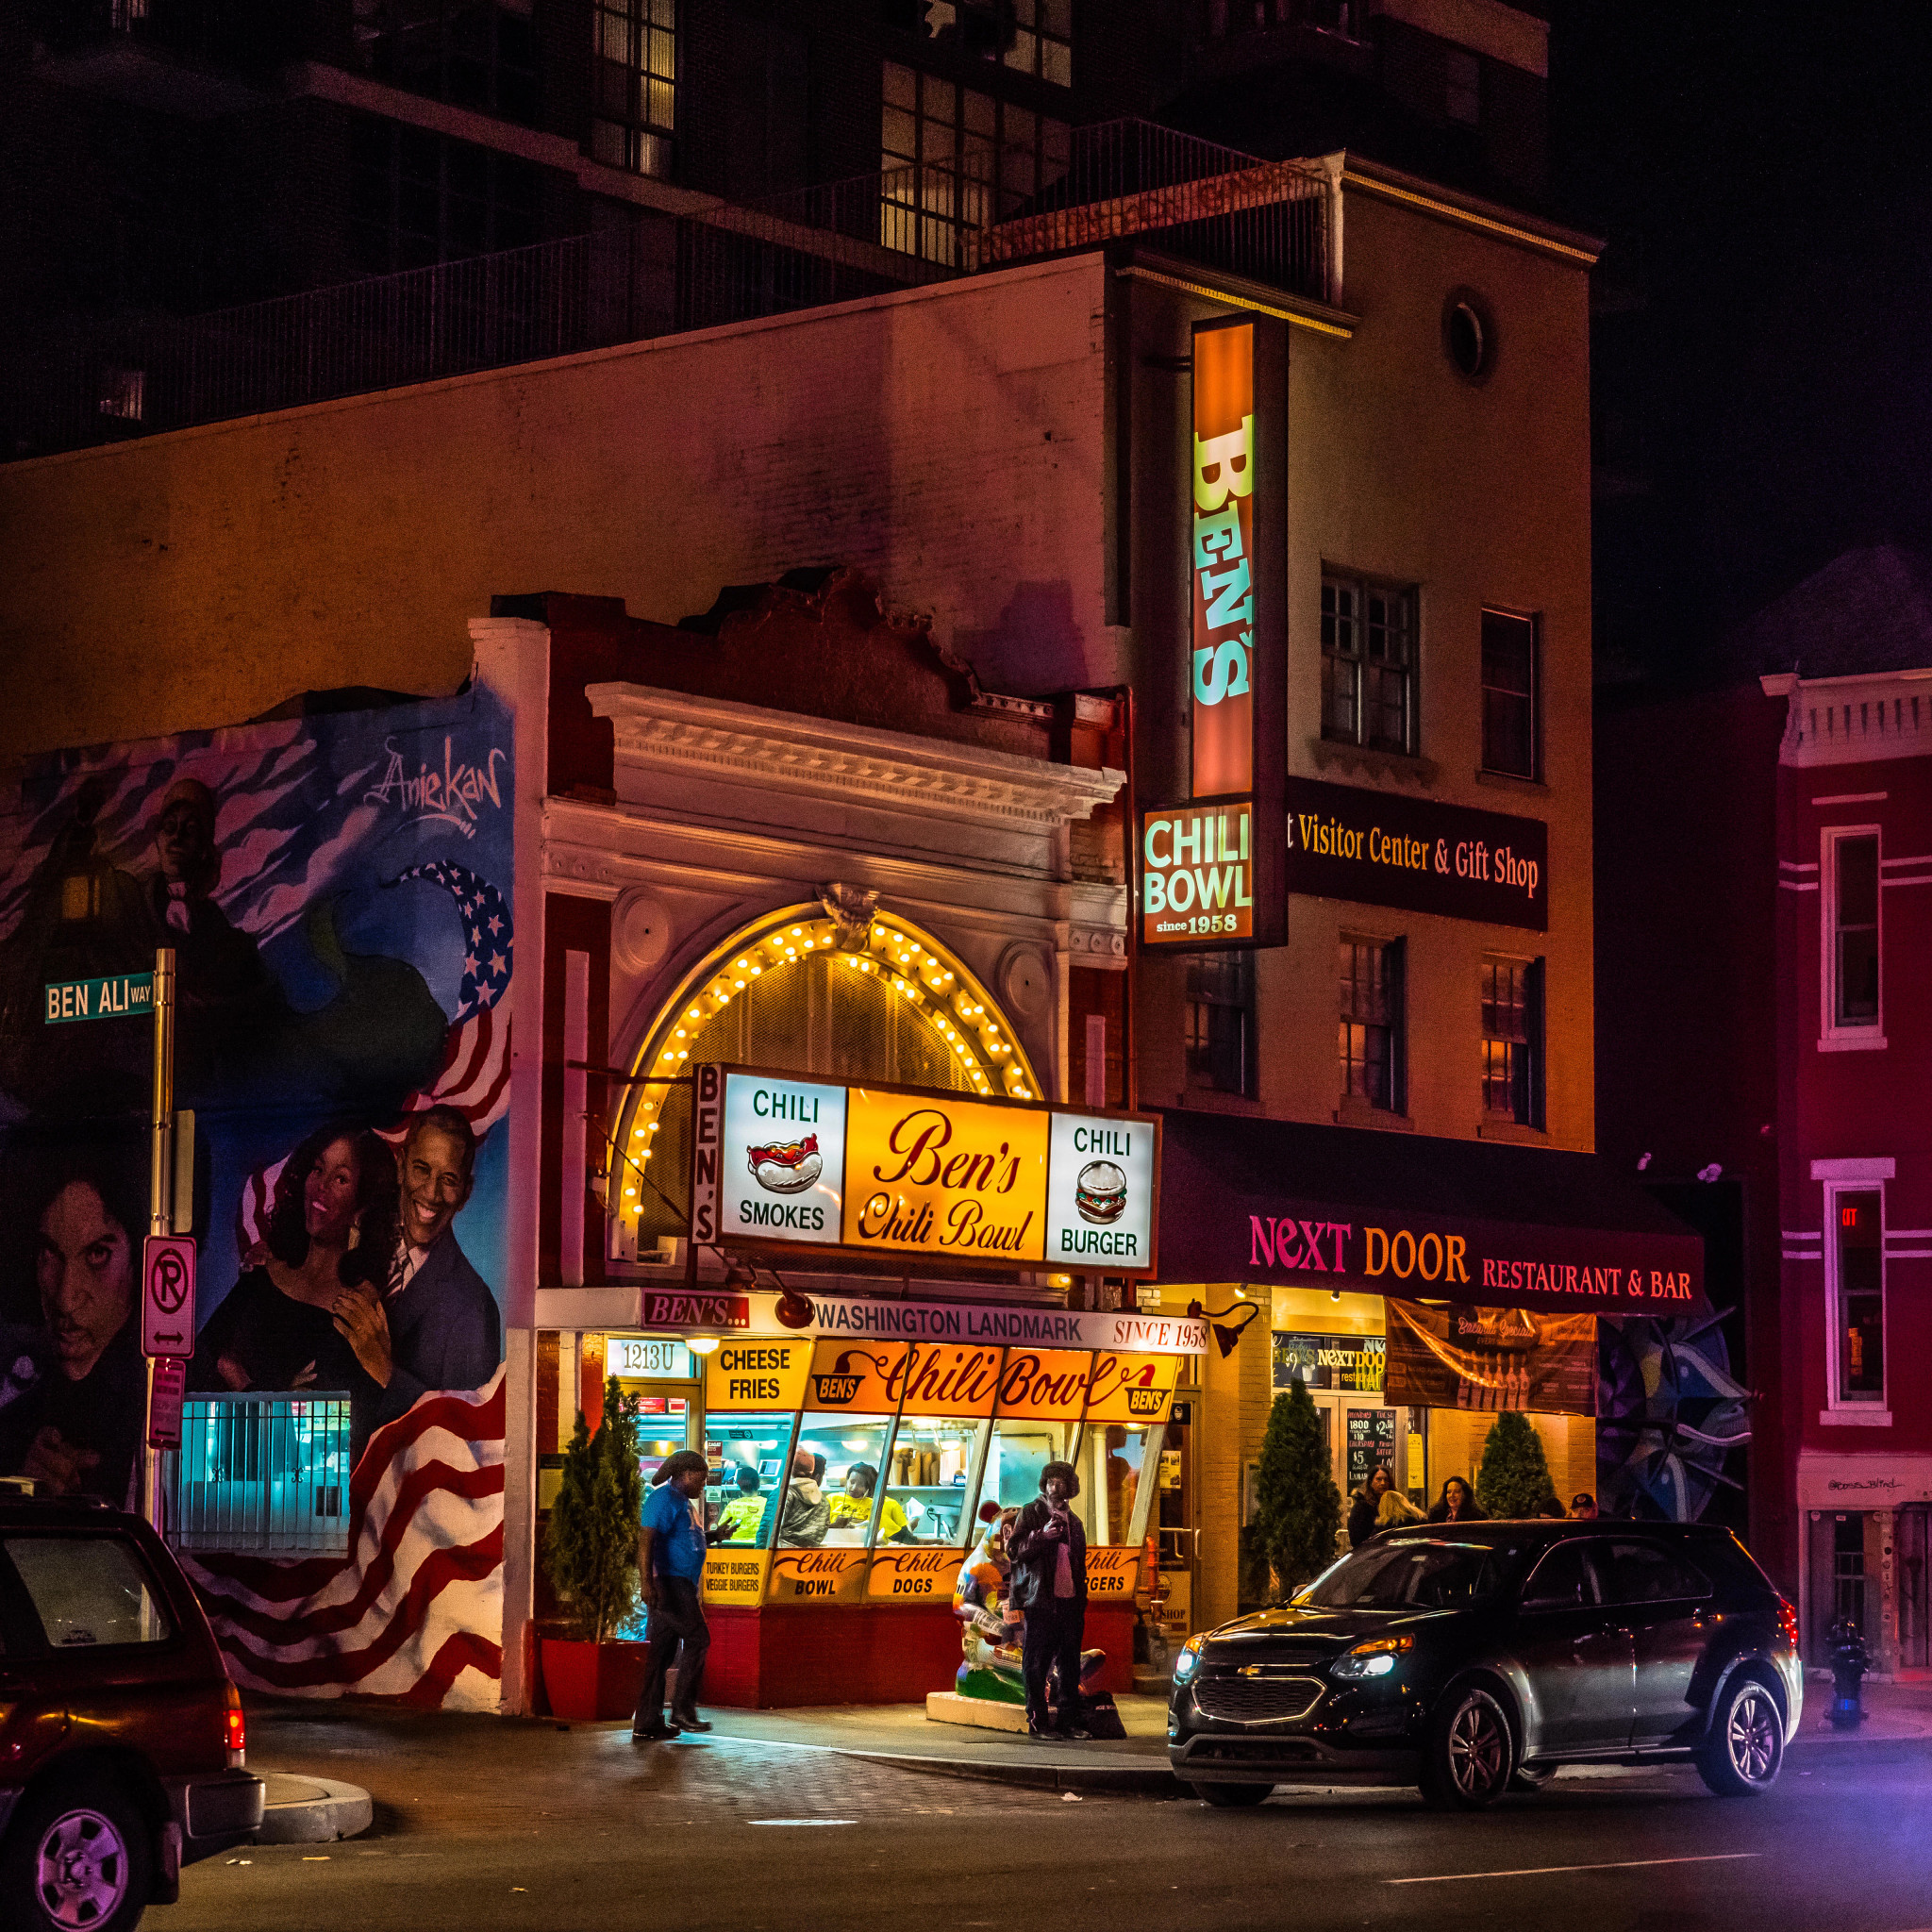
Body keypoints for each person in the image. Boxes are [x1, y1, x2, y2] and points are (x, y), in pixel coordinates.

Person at [191, 1123, 396, 1466]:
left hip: (295, 1508)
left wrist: (242, 1381)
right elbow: (198, 1368)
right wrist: (279, 1394)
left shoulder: (356, 1313)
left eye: (340, 1179)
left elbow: (318, 1445)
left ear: (361, 1207)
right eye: (318, 1170)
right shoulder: (262, 1274)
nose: (320, 1187)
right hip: (216, 1487)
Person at [330, 1108, 503, 1435]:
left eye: (448, 1180)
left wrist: (387, 1372)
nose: (431, 1193)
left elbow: (466, 1437)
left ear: (465, 1193)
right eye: (422, 1170)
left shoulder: (474, 1309)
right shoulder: (360, 1238)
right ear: (401, 1166)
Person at [0, 1157, 148, 1503]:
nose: (66, 1299)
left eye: (97, 1253)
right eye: (49, 1253)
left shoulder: (168, 1409)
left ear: (141, 1260)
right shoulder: (15, 1406)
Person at [1008, 1460, 1090, 1740]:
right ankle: (1038, 1723)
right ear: (1044, 1486)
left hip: (1069, 1603)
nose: (1056, 1487)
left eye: (1062, 1483)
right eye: (1051, 1482)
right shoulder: (1031, 1513)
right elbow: (1014, 1551)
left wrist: (1081, 1600)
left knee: (1069, 1665)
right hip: (1041, 1602)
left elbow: (1080, 1563)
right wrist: (1040, 1537)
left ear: (1070, 1488)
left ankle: (1067, 1723)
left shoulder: (1074, 1522)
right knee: (1036, 1664)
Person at [635, 1449, 711, 1740]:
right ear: (686, 1474)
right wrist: (647, 1583)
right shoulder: (663, 1499)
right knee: (698, 1638)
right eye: (701, 1479)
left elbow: (684, 1538)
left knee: (661, 1653)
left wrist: (715, 1537)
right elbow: (646, 1542)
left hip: (678, 1584)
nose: (703, 1486)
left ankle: (647, 1720)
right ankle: (683, 1710)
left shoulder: (680, 1501)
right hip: (670, 1584)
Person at [826, 1461, 908, 1543]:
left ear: (869, 1486)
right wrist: (835, 1526)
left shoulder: (885, 1504)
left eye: (861, 1484)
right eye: (852, 1482)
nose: (854, 1488)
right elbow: (818, 1529)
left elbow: (904, 1536)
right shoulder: (832, 1499)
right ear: (847, 1480)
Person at [775, 1448, 831, 1547]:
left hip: (781, 1556)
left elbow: (768, 1530)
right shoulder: (824, 1501)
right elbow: (819, 1534)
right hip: (806, 1557)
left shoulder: (783, 1493)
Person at [710, 1464, 767, 1544]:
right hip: (759, 1546)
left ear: (739, 1484)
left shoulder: (732, 1505)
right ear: (758, 1483)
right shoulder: (767, 1504)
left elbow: (722, 1528)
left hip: (735, 1546)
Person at [1347, 1466, 1398, 1547]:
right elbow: (1356, 1539)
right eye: (1378, 1479)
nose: (1383, 1483)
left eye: (1386, 1479)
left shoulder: (1395, 1506)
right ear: (1371, 1483)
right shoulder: (1362, 1507)